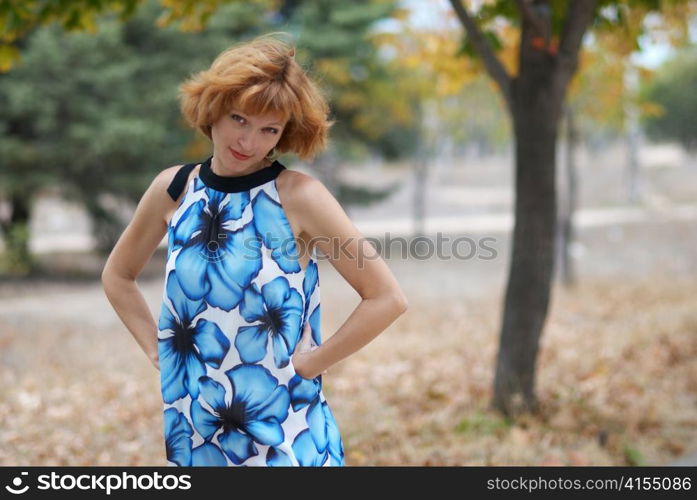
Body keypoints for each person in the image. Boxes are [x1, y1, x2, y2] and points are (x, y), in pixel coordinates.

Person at [101, 32, 408, 467]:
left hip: (287, 433)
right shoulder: (173, 189)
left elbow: (387, 298)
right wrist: (158, 348)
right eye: (239, 119)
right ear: (213, 110)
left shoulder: (298, 197)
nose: (250, 142)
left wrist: (310, 364)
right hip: (194, 430)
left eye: (270, 130)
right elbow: (117, 276)